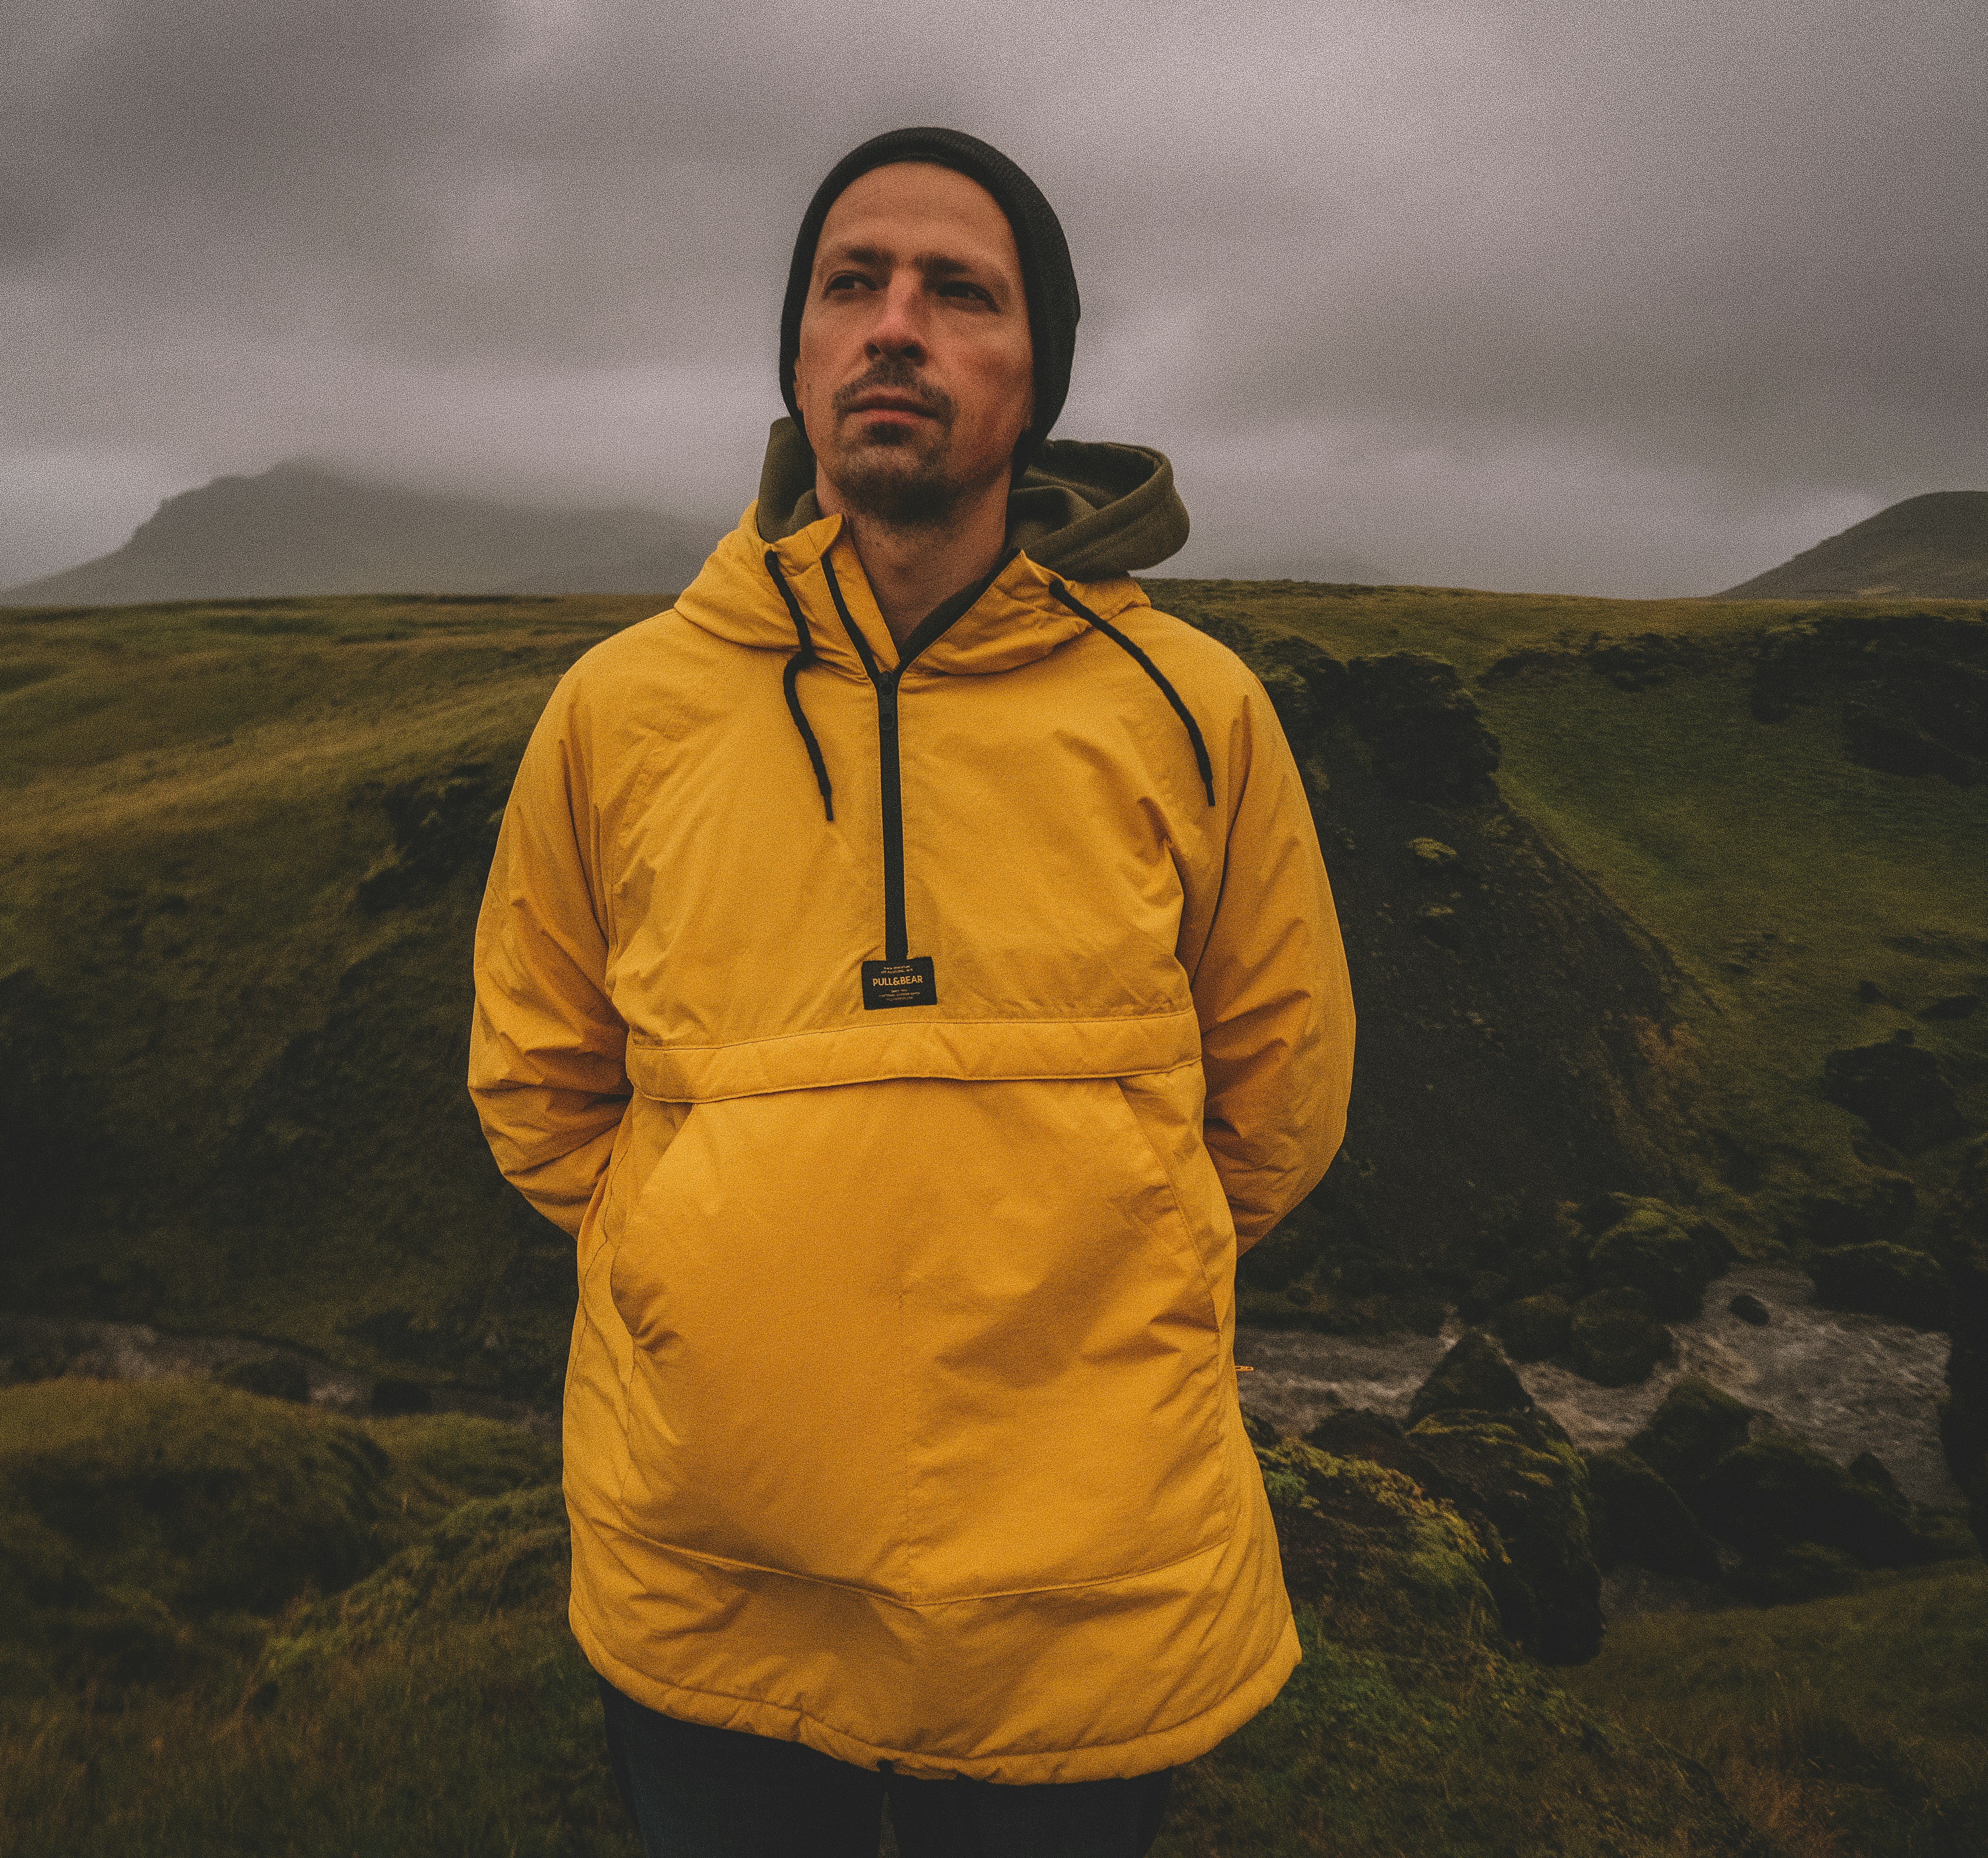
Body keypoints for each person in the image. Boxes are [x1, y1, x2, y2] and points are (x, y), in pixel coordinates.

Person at [469, 125, 1354, 1857]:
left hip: (1084, 1594)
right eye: (851, 283)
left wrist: (1116, 1250)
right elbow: (535, 1077)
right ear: (796, 358)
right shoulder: (620, 708)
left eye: (962, 292)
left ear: (1040, 377)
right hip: (710, 1578)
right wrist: (693, 1263)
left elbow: (1279, 1105)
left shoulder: (1197, 710)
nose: (897, 325)